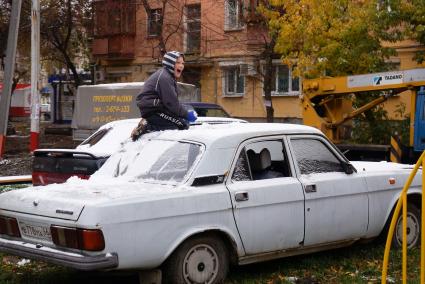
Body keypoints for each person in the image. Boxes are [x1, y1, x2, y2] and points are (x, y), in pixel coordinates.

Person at [131, 51, 198, 141]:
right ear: (170, 63)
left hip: (156, 107)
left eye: (183, 63)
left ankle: (150, 123)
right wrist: (186, 114)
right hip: (153, 109)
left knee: (182, 121)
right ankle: (148, 126)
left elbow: (172, 103)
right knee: (183, 124)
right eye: (178, 62)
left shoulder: (168, 76)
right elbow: (171, 103)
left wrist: (185, 111)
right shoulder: (165, 78)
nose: (181, 66)